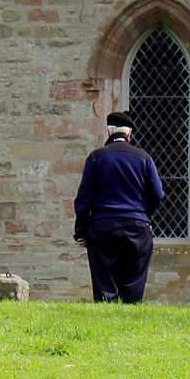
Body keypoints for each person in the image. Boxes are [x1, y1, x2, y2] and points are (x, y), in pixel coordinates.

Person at [72, 110, 164, 302]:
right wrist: (144, 217)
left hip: (102, 227)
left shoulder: (96, 158)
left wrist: (81, 231)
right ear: (129, 133)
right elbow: (157, 194)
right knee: (133, 287)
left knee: (105, 289)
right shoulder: (144, 158)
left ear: (108, 133)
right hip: (137, 227)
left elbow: (83, 199)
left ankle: (105, 325)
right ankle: (130, 322)